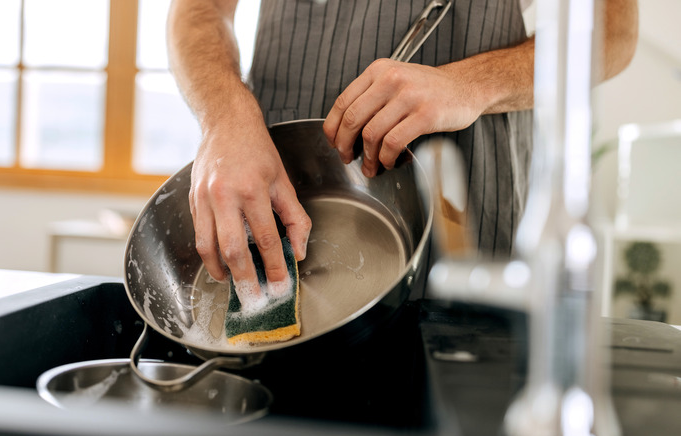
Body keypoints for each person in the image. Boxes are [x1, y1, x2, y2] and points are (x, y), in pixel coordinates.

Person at [167, 0, 638, 300]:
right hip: (280, 189)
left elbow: (613, 30)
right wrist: (225, 117)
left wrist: (472, 84)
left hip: (467, 195)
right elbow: (198, 10)